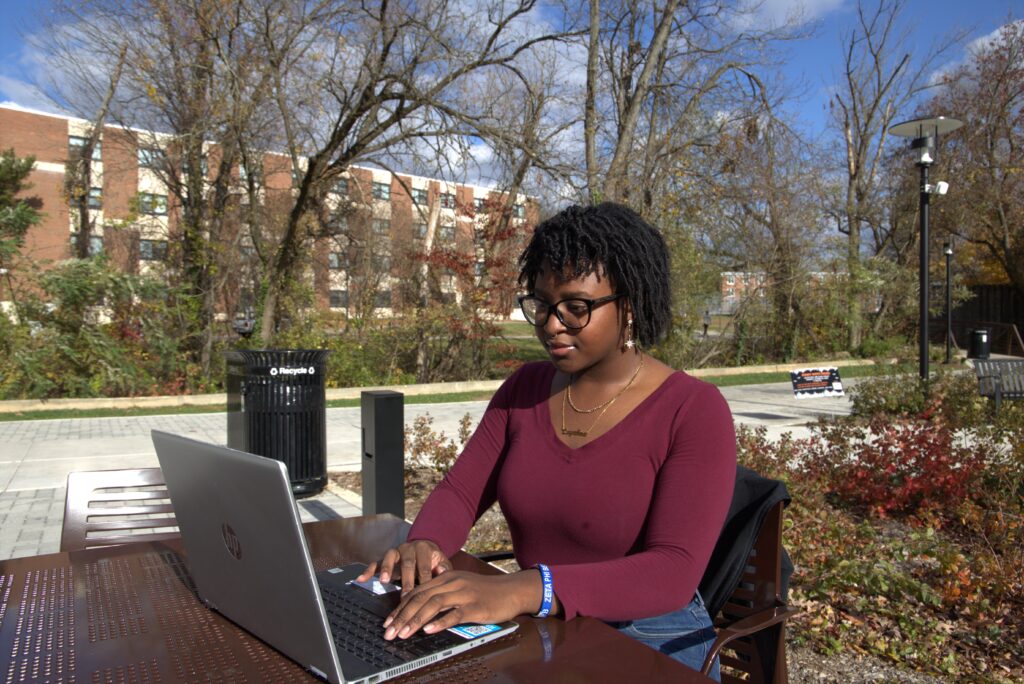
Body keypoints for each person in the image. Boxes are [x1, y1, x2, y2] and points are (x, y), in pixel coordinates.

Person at [357, 202, 736, 679]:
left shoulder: (692, 410)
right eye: (542, 304)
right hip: (547, 628)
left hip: (650, 638)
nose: (551, 325)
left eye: (576, 308)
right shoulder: (525, 391)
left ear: (632, 304)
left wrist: (520, 589)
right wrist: (426, 542)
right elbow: (460, 491)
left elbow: (673, 572)